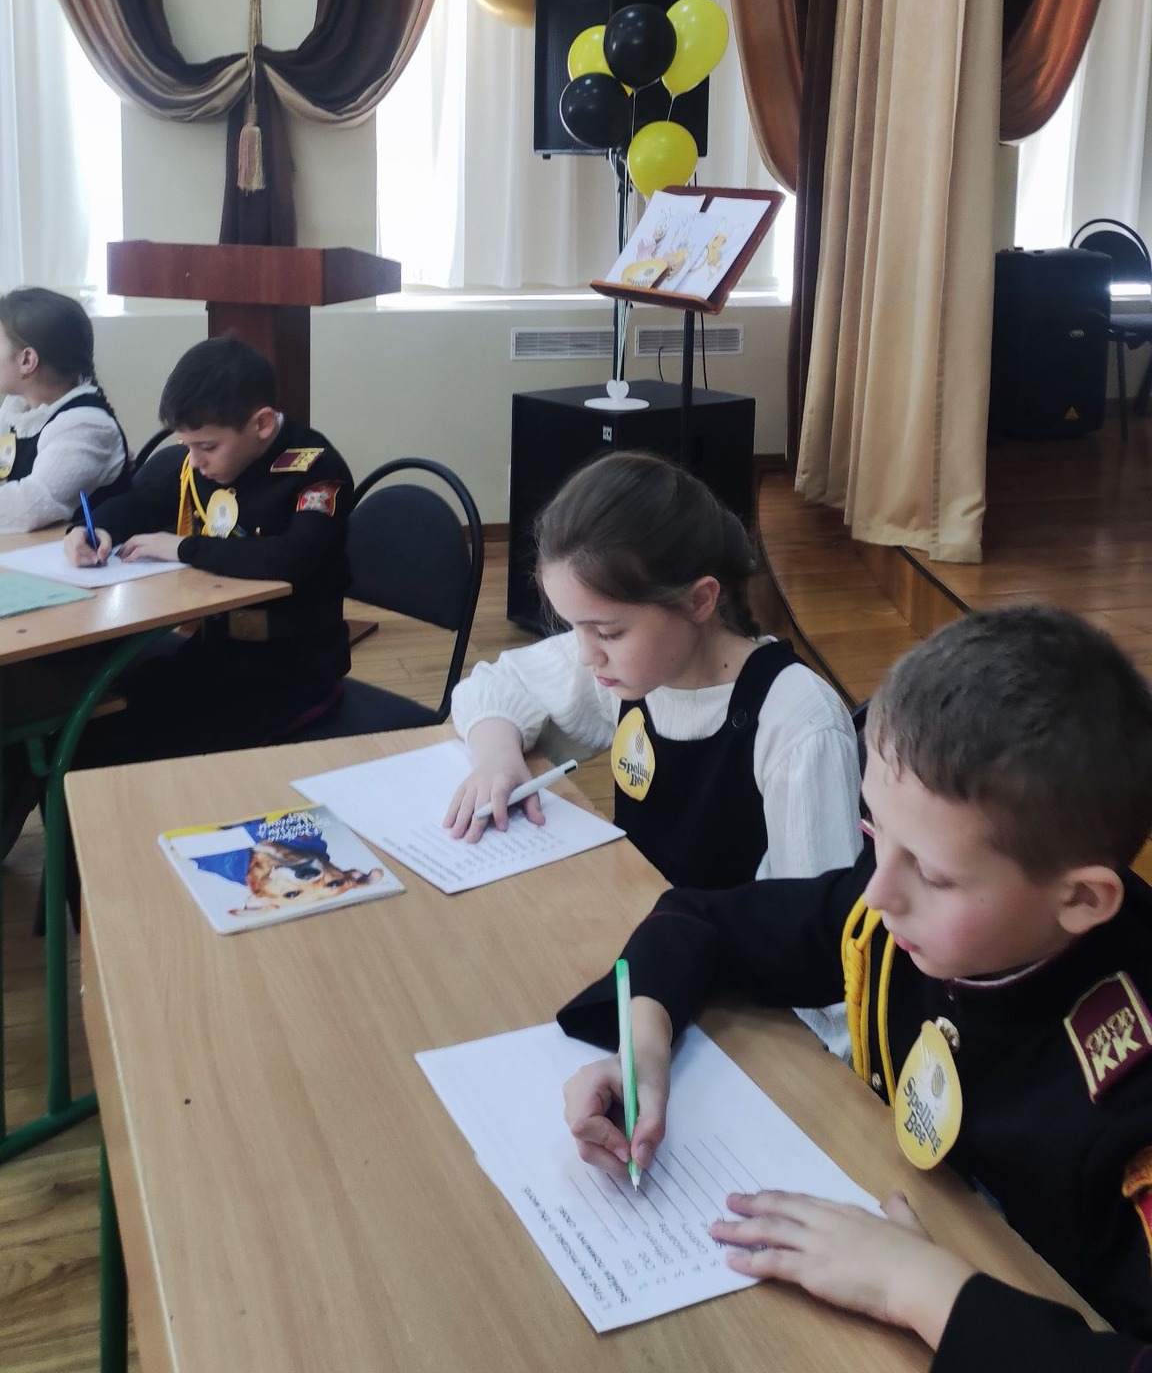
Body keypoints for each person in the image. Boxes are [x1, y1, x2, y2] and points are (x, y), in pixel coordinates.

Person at [558, 607, 1152, 1369]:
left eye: (931, 871)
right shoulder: (913, 913)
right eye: (875, 830)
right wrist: (643, 1042)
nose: (876, 893)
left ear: (1081, 899)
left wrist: (920, 1287)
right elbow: (704, 920)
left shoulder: (1130, 1098)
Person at [447, 452, 861, 1054]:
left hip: (742, 1015)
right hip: (650, 964)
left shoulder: (795, 721)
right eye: (573, 627)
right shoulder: (635, 668)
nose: (586, 654)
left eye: (607, 632)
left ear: (699, 601)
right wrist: (496, 755)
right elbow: (492, 686)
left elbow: (823, 950)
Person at [53, 334, 355, 763]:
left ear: (261, 424)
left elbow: (291, 559)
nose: (194, 461)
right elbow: (144, 501)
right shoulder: (212, 462)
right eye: (187, 446)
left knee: (154, 751)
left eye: (207, 447)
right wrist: (89, 528)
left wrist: (183, 548)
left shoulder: (314, 469)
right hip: (216, 653)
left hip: (293, 670)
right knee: (91, 727)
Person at [0, 287, 129, 530]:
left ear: (27, 360)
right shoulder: (17, 407)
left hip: (76, 550)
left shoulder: (85, 425)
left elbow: (30, 507)